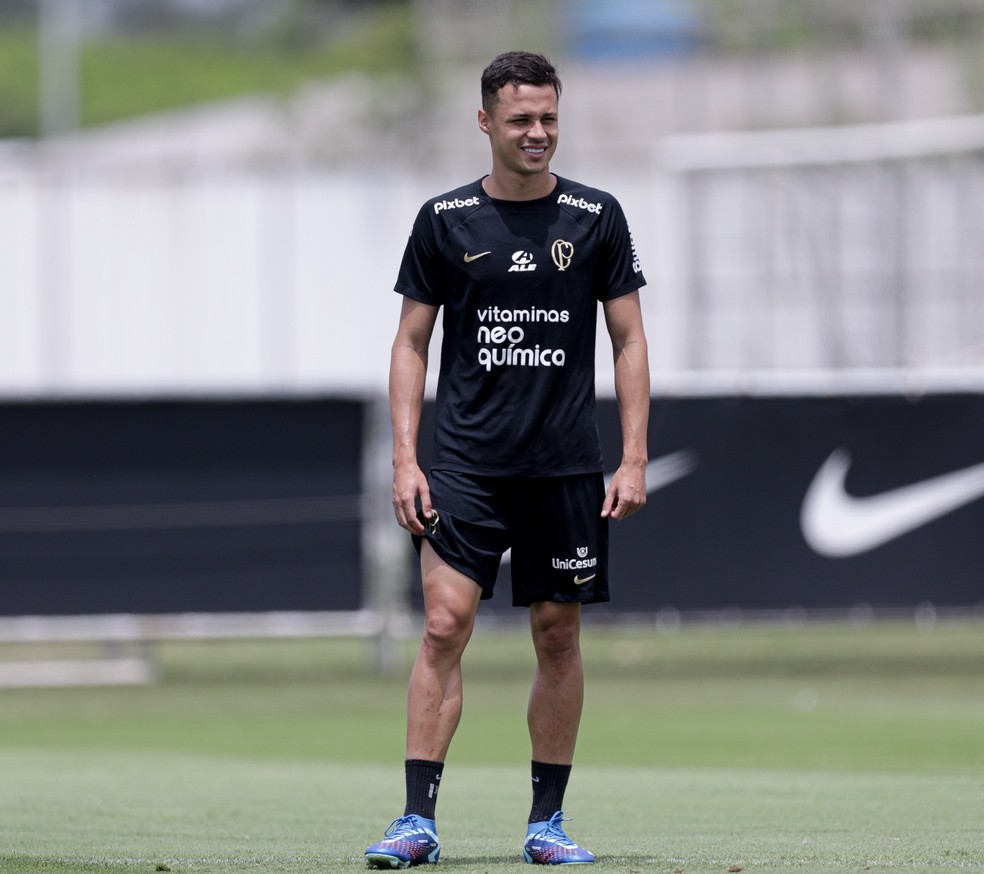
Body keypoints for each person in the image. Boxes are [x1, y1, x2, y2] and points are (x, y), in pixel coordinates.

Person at [365, 50, 650, 868]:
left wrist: (632, 459)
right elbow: (411, 342)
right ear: (485, 121)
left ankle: (546, 824)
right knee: (444, 625)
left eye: (549, 118)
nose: (538, 133)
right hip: (463, 464)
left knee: (558, 637)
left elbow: (628, 340)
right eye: (521, 119)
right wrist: (404, 459)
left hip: (564, 466)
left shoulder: (596, 217)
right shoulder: (444, 220)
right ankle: (417, 820)